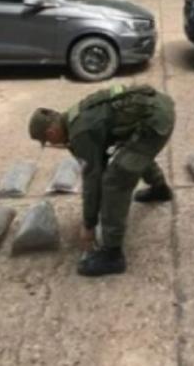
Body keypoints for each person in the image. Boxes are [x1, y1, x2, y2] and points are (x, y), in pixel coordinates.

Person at [28, 84, 175, 277]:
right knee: (132, 154)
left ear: (51, 133)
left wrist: (88, 224)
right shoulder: (73, 116)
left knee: (115, 180)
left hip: (155, 121)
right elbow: (102, 153)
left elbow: (92, 180)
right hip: (155, 107)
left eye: (47, 141)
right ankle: (160, 189)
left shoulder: (79, 133)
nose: (52, 145)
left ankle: (112, 255)